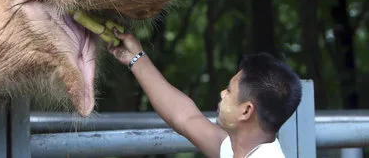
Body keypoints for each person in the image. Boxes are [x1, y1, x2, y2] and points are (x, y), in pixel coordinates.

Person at [107, 30, 303, 158]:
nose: (222, 94)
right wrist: (136, 58)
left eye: (229, 90)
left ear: (246, 111)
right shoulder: (239, 150)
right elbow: (184, 117)